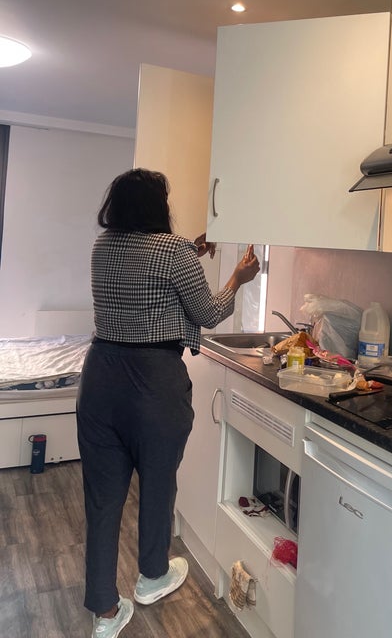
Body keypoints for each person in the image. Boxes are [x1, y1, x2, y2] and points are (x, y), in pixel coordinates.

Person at [76, 168, 259, 638]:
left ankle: (104, 612)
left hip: (100, 377)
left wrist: (192, 251)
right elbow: (209, 312)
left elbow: (144, 269)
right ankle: (152, 576)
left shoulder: (103, 246)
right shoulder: (172, 251)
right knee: (158, 483)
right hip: (153, 381)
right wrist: (238, 278)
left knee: (102, 498)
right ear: (158, 206)